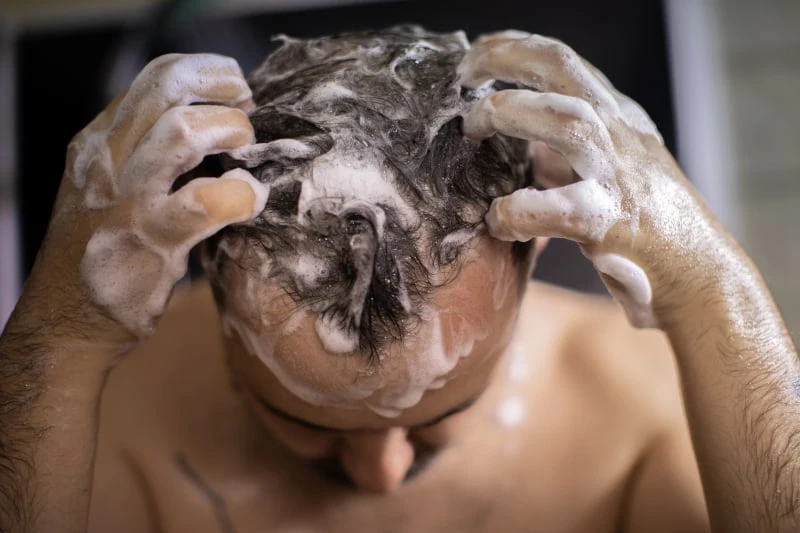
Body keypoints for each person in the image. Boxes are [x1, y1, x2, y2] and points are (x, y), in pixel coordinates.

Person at [0, 25, 797, 533]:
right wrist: (56, 338)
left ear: (531, 256)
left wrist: (712, 290)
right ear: (203, 263)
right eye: (307, 421)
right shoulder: (102, 426)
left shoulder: (644, 421)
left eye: (440, 414)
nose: (380, 474)